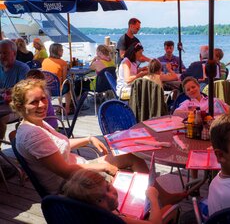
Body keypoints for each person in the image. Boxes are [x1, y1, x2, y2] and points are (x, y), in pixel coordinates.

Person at [10, 79, 149, 195]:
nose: (42, 105)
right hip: (70, 184)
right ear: (20, 106)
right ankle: (143, 202)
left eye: (43, 98)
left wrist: (88, 139)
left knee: (132, 156)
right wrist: (104, 167)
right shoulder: (32, 135)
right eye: (34, 102)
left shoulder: (36, 122)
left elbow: (58, 145)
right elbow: (64, 172)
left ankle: (147, 195)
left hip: (80, 168)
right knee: (128, 181)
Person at [62, 169, 164, 224]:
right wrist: (153, 198)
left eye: (108, 187)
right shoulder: (111, 219)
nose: (111, 197)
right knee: (167, 208)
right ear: (86, 207)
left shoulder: (81, 217)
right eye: (99, 200)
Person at [0, 39, 29, 143]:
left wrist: (7, 91)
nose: (1, 56)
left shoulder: (22, 68)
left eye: (5, 53)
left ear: (14, 53)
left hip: (17, 107)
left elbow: (23, 90)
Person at [42, 43, 72, 115]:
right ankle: (67, 108)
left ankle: (60, 107)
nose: (63, 51)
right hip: (58, 89)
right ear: (58, 51)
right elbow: (64, 79)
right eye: (61, 50)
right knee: (69, 87)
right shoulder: (63, 63)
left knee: (58, 83)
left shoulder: (45, 61)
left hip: (47, 88)